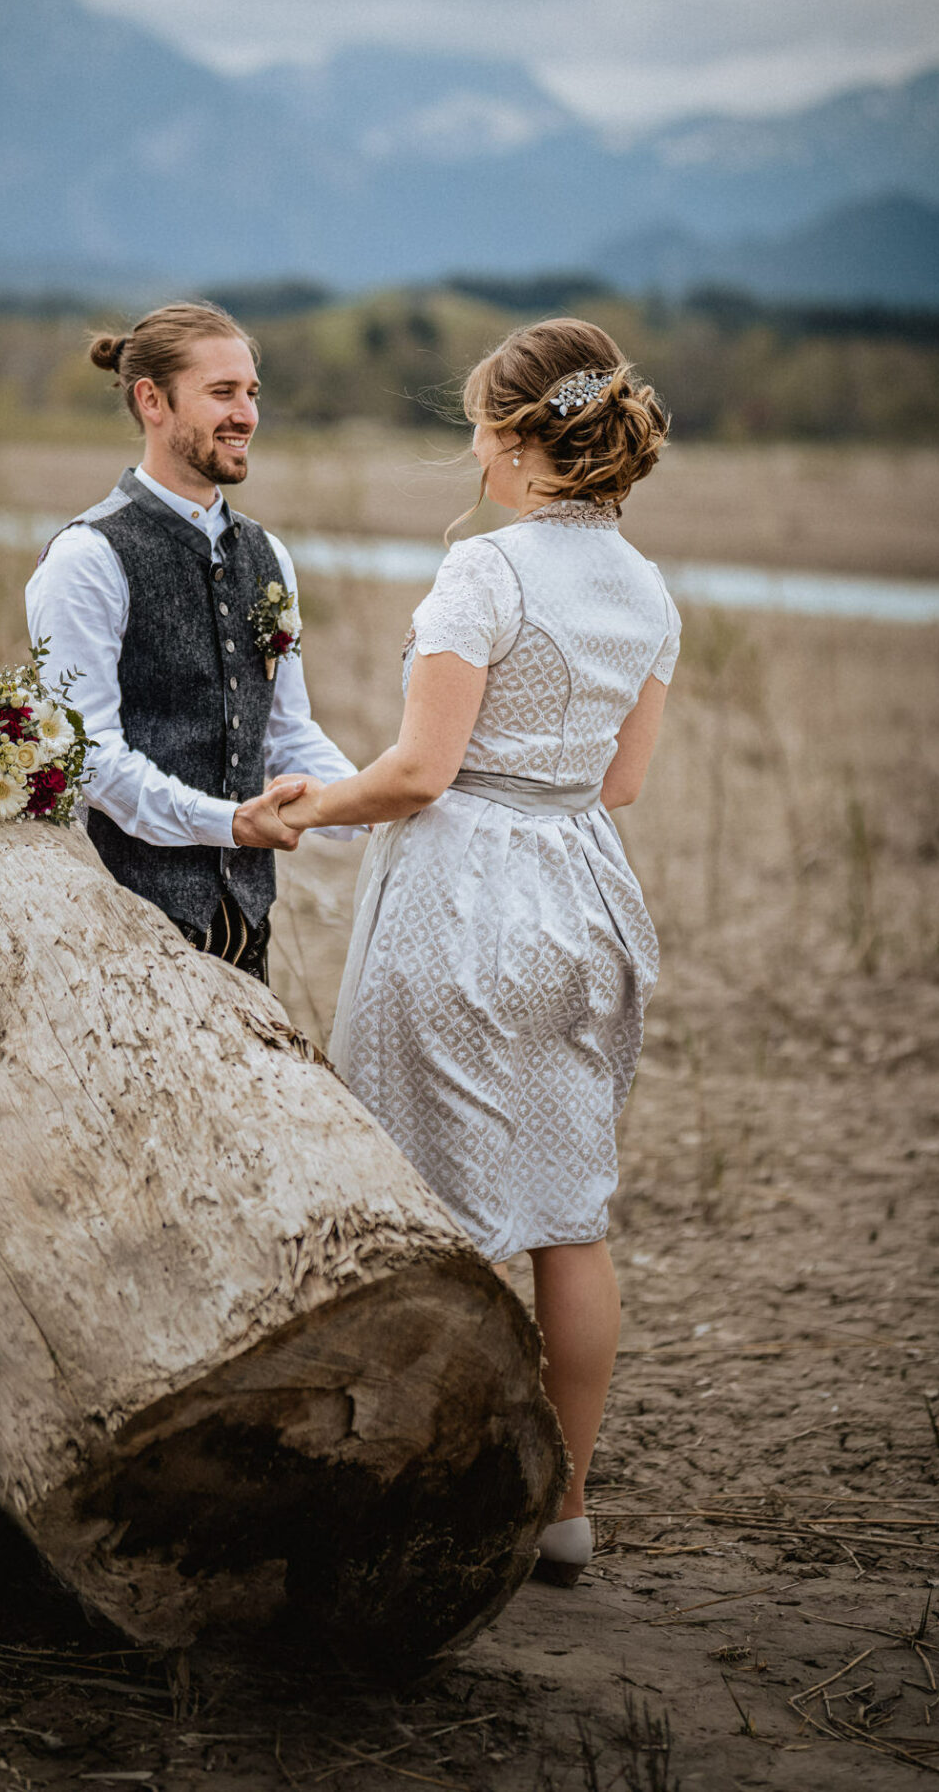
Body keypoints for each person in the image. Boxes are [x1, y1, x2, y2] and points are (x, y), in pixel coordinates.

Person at [277, 318, 679, 1585]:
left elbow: (415, 774)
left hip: (463, 903)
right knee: (570, 1215)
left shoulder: (484, 576)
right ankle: (564, 1504)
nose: (469, 447)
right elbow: (620, 782)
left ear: (513, 438)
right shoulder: (647, 589)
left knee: (408, 1203)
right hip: (582, 899)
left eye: (474, 424)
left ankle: (392, 1482)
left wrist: (296, 807)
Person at [26, 300, 356, 982]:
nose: (246, 415)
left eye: (252, 393)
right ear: (153, 400)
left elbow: (289, 735)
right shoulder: (87, 558)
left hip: (247, 929)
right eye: (222, 393)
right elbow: (92, 762)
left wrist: (385, 807)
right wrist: (232, 822)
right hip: (118, 926)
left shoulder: (269, 556)